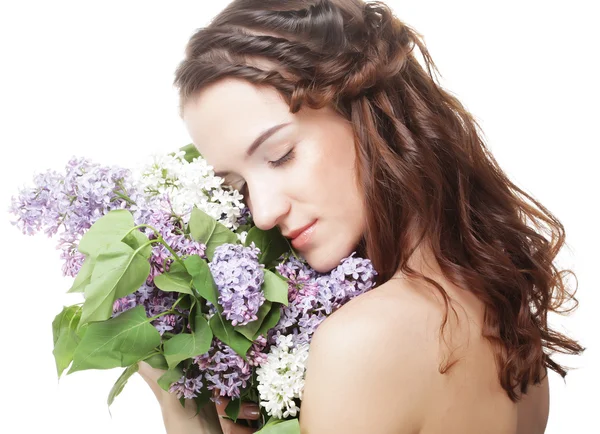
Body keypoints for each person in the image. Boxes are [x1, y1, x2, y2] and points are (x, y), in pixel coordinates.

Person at [138, 0, 584, 432]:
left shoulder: (361, 344)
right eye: (239, 186)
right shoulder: (501, 307)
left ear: (365, 113)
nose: (264, 213)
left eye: (280, 155)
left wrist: (179, 405)